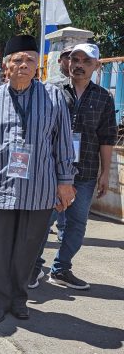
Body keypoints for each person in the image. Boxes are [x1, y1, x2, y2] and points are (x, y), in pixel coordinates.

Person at [0, 35, 76, 324]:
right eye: (17, 60)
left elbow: (62, 143)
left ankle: (19, 298)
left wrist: (65, 182)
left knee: (27, 250)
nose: (23, 65)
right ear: (5, 67)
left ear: (37, 65)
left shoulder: (54, 98)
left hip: (39, 189)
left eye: (29, 60)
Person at [31, 43, 116, 291]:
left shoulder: (103, 97)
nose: (79, 65)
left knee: (77, 223)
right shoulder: (50, 91)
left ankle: (61, 269)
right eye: (75, 59)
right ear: (68, 62)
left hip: (86, 171)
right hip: (52, 171)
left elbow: (108, 137)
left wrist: (105, 173)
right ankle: (33, 267)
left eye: (86, 61)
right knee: (43, 221)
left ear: (96, 66)